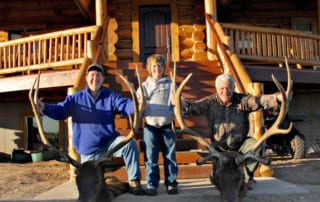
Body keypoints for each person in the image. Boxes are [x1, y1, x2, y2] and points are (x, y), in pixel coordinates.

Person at [36, 63, 145, 195]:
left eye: (98, 75)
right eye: (92, 75)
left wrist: (136, 105)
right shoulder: (75, 99)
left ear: (103, 79)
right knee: (90, 189)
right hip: (88, 152)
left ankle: (134, 181)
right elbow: (61, 110)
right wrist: (45, 108)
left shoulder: (110, 96)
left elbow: (124, 104)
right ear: (87, 78)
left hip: (109, 146)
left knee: (129, 144)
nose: (95, 78)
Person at [182, 73, 282, 187]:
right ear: (217, 89)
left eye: (228, 88)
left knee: (256, 146)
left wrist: (276, 97)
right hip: (219, 148)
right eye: (222, 88)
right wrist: (183, 103)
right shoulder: (210, 102)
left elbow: (258, 100)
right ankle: (219, 176)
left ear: (233, 88)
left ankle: (245, 178)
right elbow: (194, 107)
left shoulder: (242, 101)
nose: (225, 91)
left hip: (240, 145)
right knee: (218, 175)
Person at [137, 54, 179, 196]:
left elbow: (177, 101)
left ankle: (171, 183)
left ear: (163, 68)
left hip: (167, 125)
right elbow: (138, 103)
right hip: (150, 126)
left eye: (159, 66)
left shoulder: (170, 84)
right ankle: (151, 183)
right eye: (154, 66)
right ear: (149, 68)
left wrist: (178, 105)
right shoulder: (144, 85)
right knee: (151, 157)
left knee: (170, 156)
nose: (157, 69)